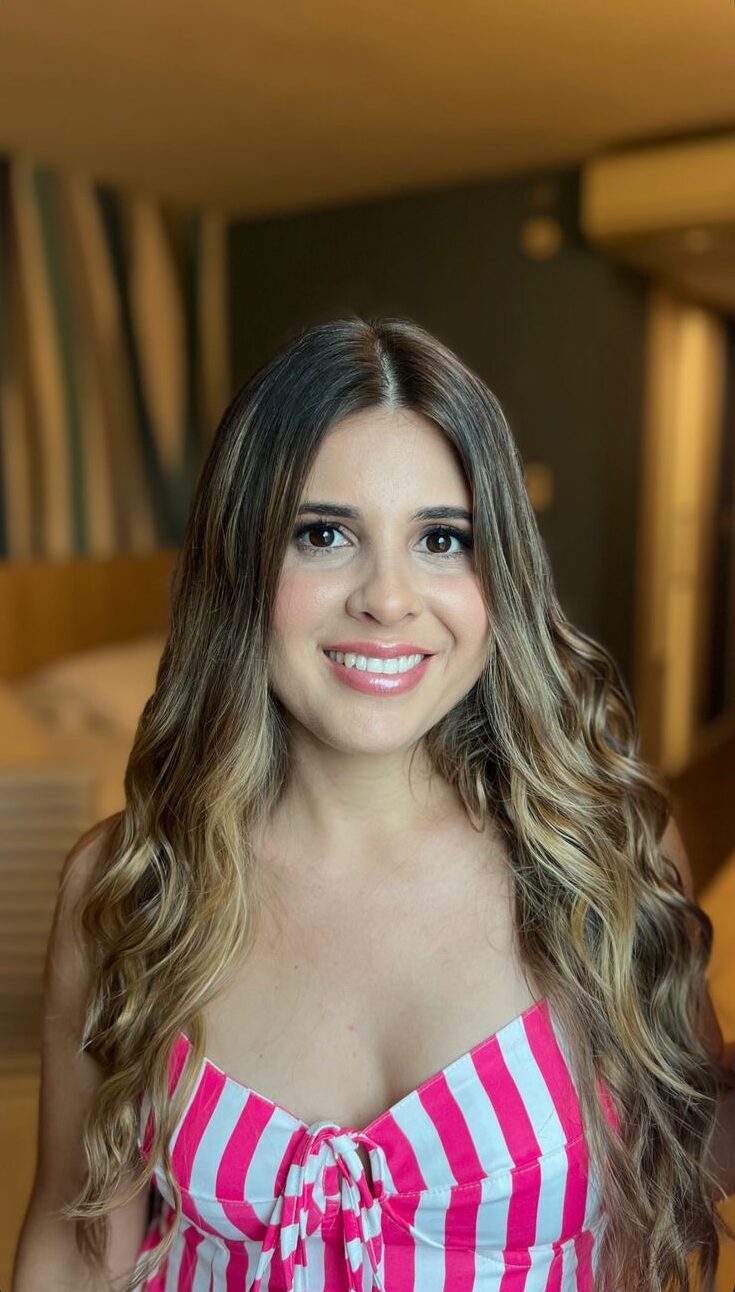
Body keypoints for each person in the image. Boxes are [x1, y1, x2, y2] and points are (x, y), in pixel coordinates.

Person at [12, 315, 735, 1292]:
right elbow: (72, 1244)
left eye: (442, 538)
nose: (388, 599)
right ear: (239, 562)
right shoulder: (129, 882)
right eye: (323, 535)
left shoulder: (605, 854)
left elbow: (686, 1144)